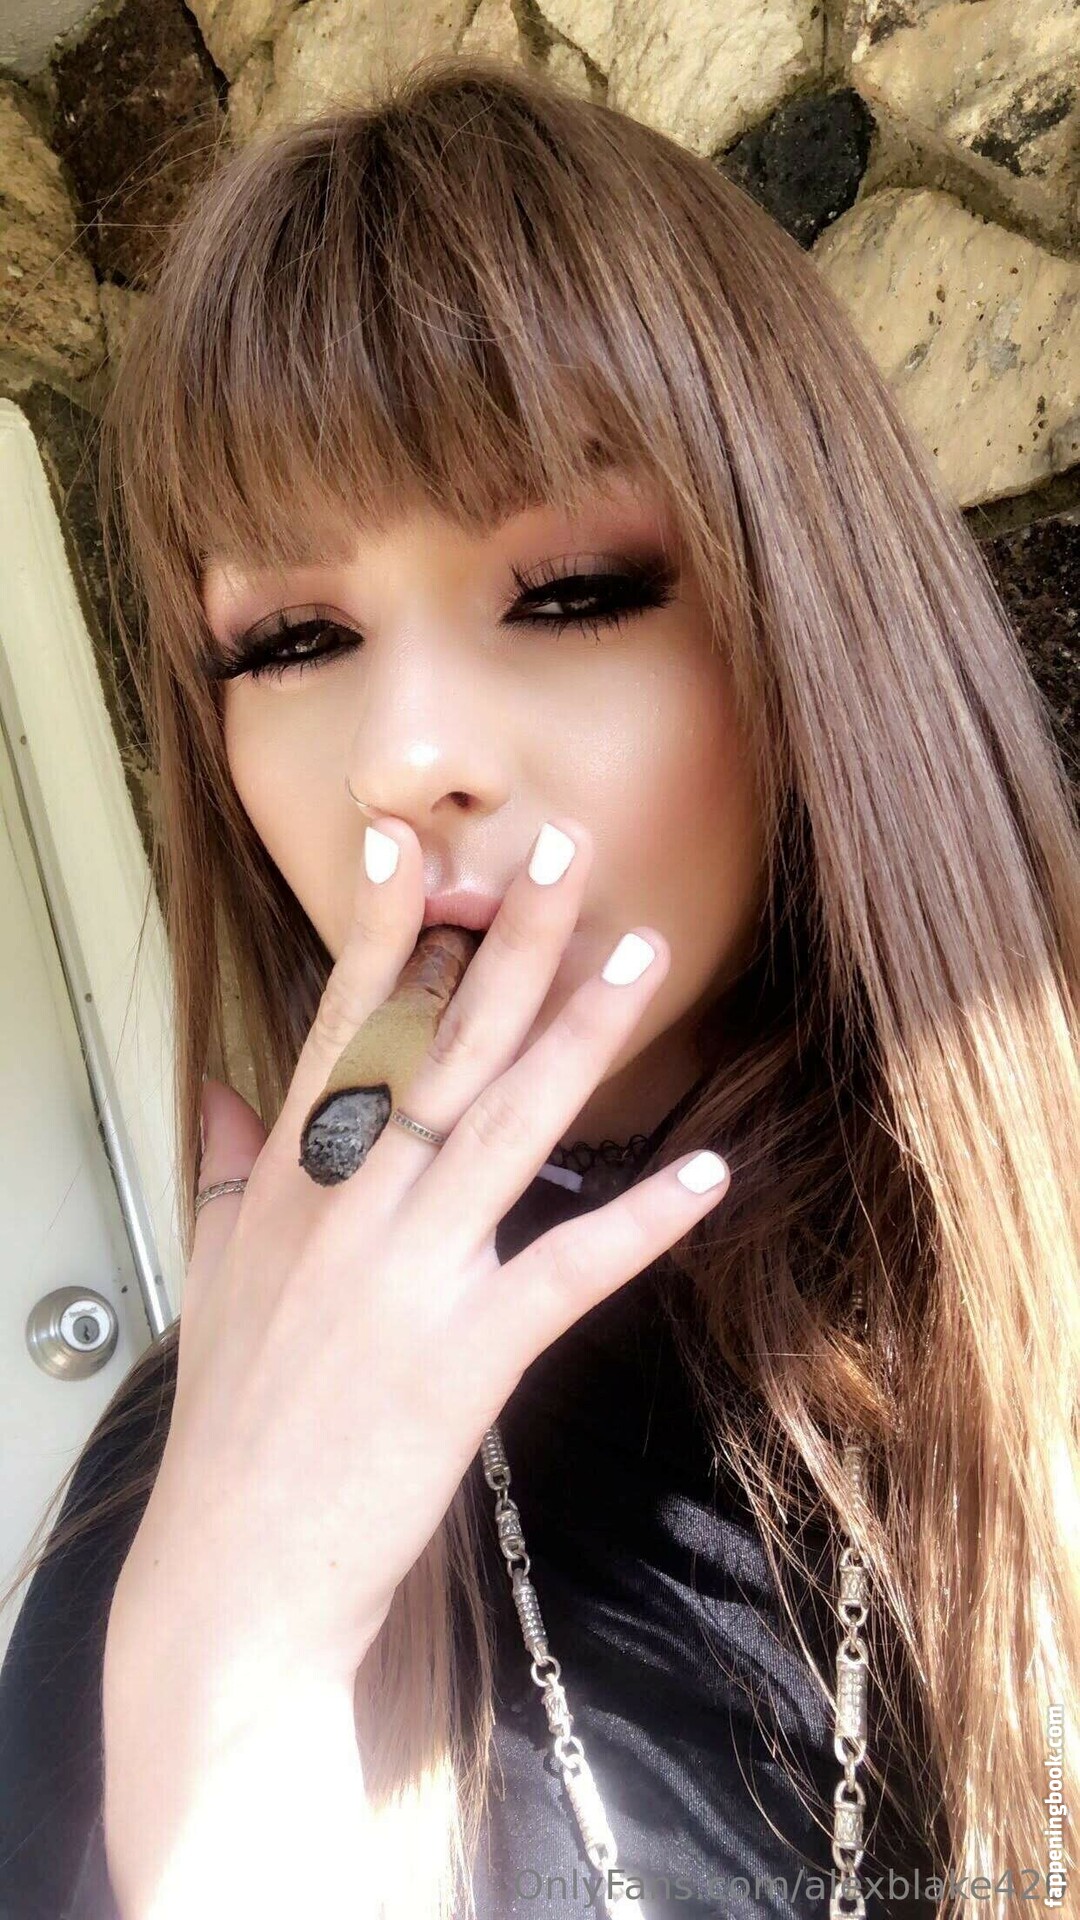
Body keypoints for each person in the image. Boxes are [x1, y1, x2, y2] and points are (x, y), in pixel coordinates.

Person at [1, 49, 1076, 1920]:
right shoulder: (195, 1468)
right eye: (293, 637)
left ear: (819, 631)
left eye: (572, 588)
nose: (404, 756)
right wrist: (228, 1677)